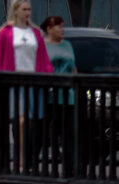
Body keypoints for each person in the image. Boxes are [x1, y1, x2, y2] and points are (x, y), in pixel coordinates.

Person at [0, 0, 52, 173]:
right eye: (24, 9)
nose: (28, 12)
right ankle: (21, 160)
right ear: (16, 11)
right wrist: (1, 79)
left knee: (36, 123)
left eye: (29, 9)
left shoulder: (35, 33)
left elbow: (43, 57)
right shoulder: (5, 33)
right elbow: (0, 58)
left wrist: (49, 76)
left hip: (34, 82)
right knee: (20, 122)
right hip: (15, 81)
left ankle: (30, 161)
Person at [40, 15, 75, 174]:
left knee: (68, 133)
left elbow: (73, 68)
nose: (62, 30)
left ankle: (69, 169)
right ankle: (52, 168)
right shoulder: (42, 46)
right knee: (51, 133)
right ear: (48, 29)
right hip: (50, 96)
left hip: (69, 96)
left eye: (63, 26)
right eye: (58, 27)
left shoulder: (67, 45)